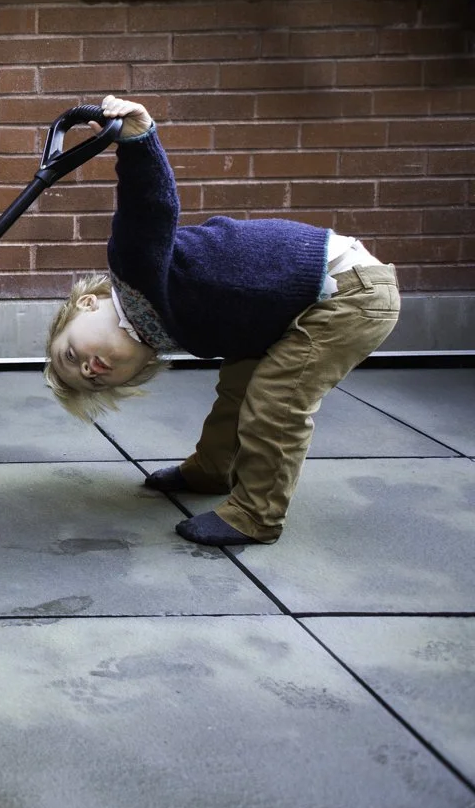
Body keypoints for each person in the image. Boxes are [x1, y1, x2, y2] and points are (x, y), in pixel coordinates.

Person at [43, 96, 400, 547]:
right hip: (299, 304)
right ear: (135, 373)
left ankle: (256, 515)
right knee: (239, 382)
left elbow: (149, 210)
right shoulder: (167, 325)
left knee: (277, 397)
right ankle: (213, 470)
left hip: (348, 293)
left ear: (88, 305)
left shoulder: (135, 270)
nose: (88, 369)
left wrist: (138, 142)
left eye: (72, 354)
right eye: (94, 382)